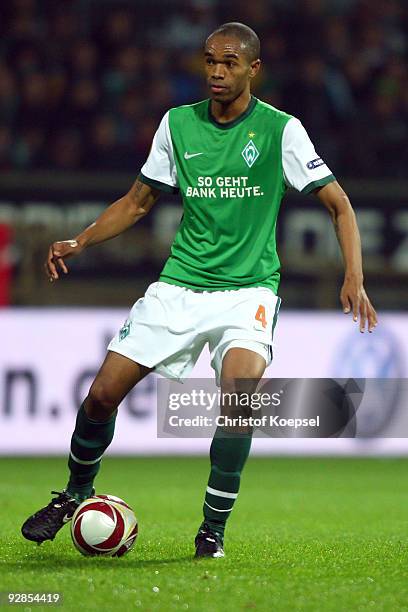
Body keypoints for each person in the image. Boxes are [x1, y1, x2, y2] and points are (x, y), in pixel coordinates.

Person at [21, 22, 377, 558]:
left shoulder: (281, 130)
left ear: (253, 69)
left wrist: (354, 274)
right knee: (100, 396)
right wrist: (82, 239)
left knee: (238, 397)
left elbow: (339, 204)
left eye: (230, 62)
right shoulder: (178, 125)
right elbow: (138, 201)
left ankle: (212, 531)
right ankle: (73, 493)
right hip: (179, 286)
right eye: (210, 60)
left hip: (248, 291)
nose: (216, 71)